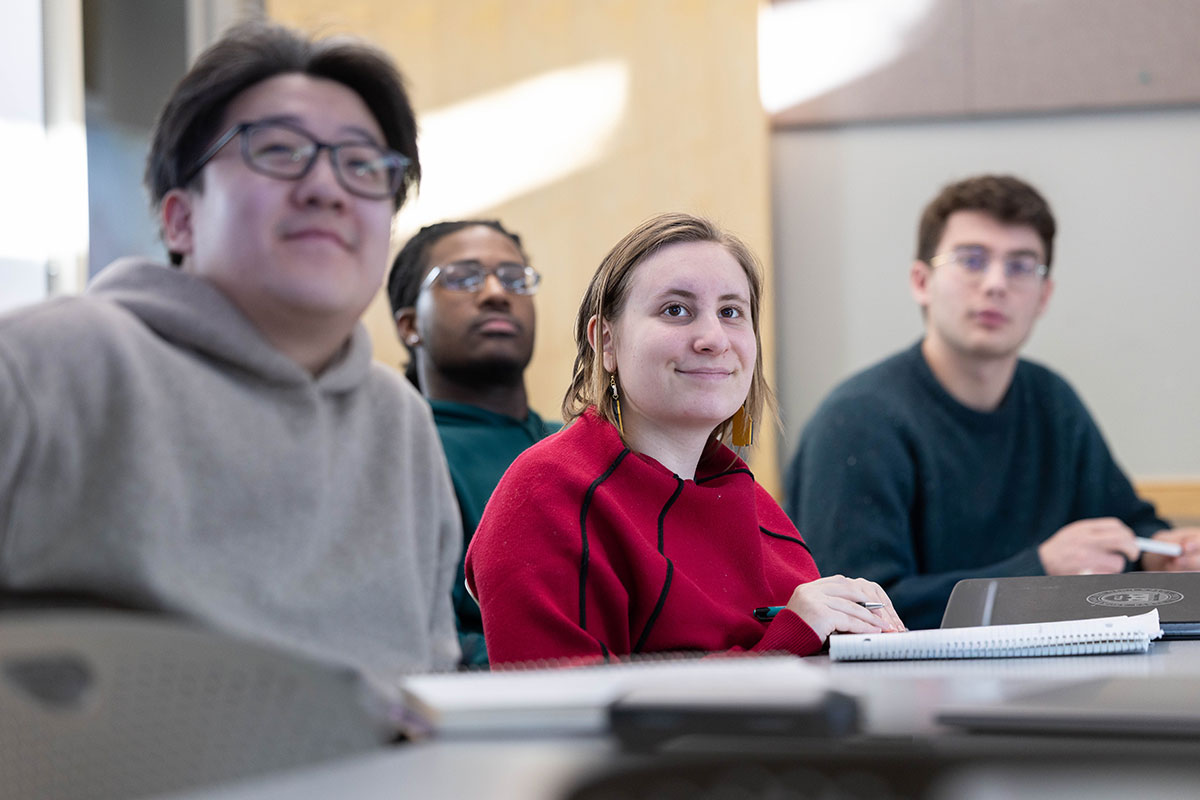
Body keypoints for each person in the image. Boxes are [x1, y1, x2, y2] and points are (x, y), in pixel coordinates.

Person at [0, 22, 462, 688]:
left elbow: (425, 685)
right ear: (179, 218)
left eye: (363, 165)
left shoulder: (398, 421)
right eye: (278, 150)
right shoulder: (54, 363)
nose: (327, 188)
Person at [464, 212, 904, 665]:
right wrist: (789, 639)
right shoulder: (546, 492)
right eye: (676, 310)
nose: (713, 338)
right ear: (607, 342)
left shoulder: (750, 499)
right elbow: (562, 709)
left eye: (732, 312)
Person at [785, 174, 1200, 631]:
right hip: (909, 695)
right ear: (921, 281)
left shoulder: (1052, 402)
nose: (996, 284)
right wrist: (1040, 570)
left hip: (1051, 687)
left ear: (1044, 296)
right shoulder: (857, 421)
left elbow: (1129, 525)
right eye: (972, 260)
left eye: (1022, 266)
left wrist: (1160, 556)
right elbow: (859, 611)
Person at [387, 220, 560, 666]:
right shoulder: (392, 452)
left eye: (514, 278)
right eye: (463, 278)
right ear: (410, 326)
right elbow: (417, 641)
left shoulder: (586, 446)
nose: (495, 293)